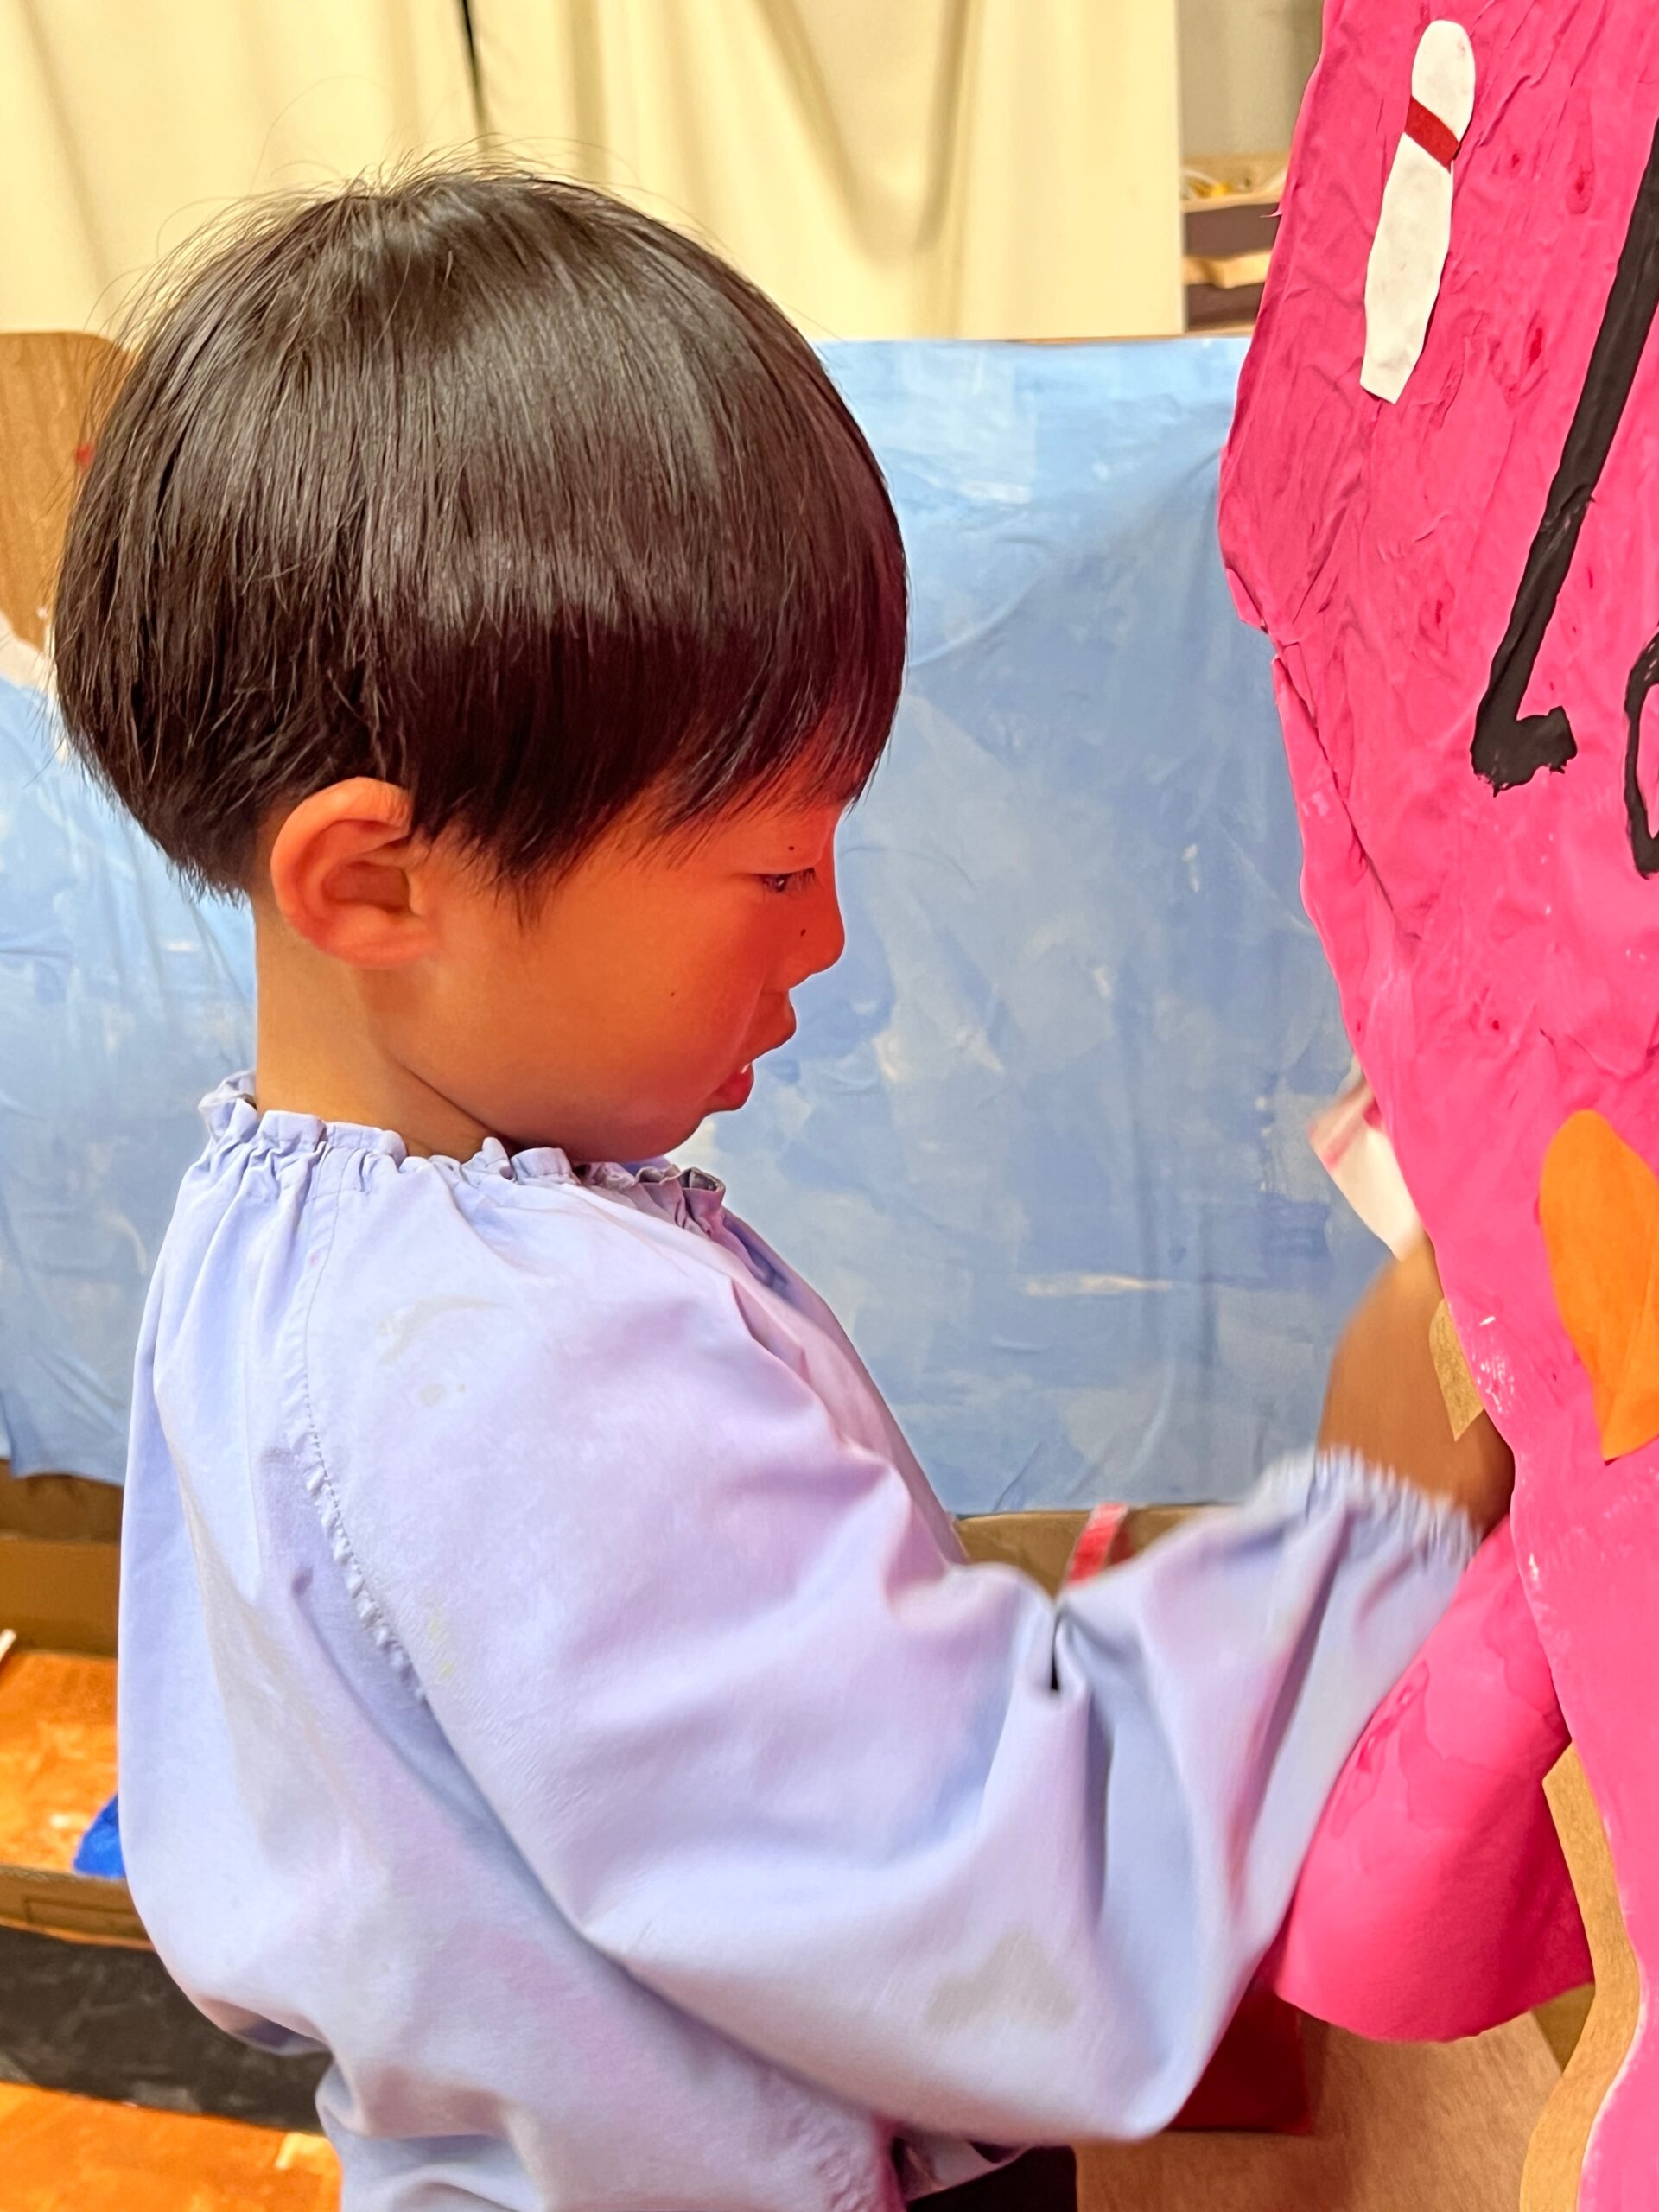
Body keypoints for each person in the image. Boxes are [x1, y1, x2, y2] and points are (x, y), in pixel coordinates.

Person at [52, 168, 1512, 2212]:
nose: (825, 938)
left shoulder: (274, 1228)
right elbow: (1002, 1925)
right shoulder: (521, 1363)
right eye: (773, 862)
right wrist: (1360, 1526)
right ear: (376, 883)